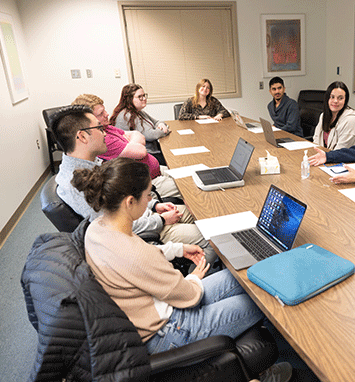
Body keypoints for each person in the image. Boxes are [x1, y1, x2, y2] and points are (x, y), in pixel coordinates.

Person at [73, 157, 292, 382]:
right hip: (170, 330)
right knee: (262, 298)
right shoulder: (134, 254)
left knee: (241, 276)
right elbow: (190, 296)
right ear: (130, 201)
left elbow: (139, 258)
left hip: (151, 312)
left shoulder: (97, 229)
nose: (150, 200)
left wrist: (176, 249)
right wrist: (194, 279)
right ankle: (261, 371)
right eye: (148, 195)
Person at [51, 105, 219, 272]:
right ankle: (195, 285)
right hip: (146, 232)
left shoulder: (90, 163)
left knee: (205, 215)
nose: (104, 133)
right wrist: (160, 220)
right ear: (82, 136)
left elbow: (122, 200)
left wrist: (153, 206)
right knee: (214, 236)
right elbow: (116, 229)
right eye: (99, 128)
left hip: (147, 214)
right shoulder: (76, 185)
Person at [71, 93, 178, 197]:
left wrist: (129, 144)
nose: (107, 114)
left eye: (104, 110)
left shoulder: (106, 127)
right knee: (188, 186)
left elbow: (138, 135)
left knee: (186, 173)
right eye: (100, 114)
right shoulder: (102, 139)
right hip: (147, 182)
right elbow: (141, 151)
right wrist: (133, 145)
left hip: (155, 170)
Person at [110, 84, 169, 165]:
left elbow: (157, 122)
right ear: (129, 99)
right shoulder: (127, 115)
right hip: (143, 157)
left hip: (150, 151)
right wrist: (165, 131)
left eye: (144, 95)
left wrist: (161, 125)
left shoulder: (138, 112)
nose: (144, 99)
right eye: (140, 97)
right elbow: (150, 135)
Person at [312, 81, 355, 150]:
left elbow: (340, 151)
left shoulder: (351, 121)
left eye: (340, 98)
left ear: (345, 100)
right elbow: (316, 139)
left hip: (344, 159)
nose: (335, 101)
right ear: (327, 98)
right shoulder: (324, 116)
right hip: (325, 156)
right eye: (332, 97)